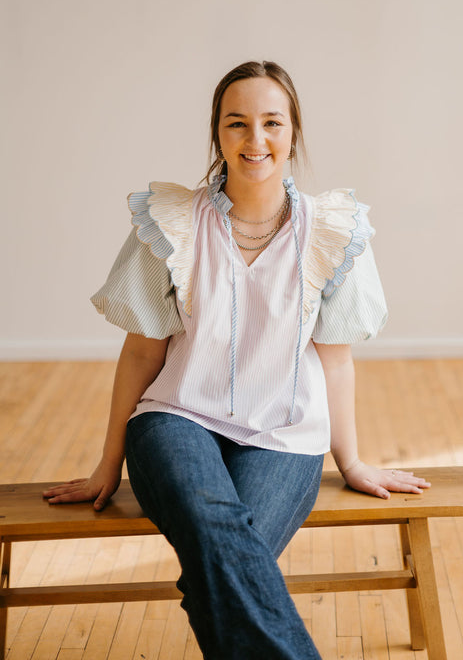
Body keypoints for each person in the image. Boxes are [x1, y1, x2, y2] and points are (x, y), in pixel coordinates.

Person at [44, 61, 430, 659]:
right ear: (218, 134)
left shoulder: (332, 230)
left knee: (220, 566)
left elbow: (336, 361)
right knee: (220, 539)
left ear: (293, 133)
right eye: (237, 123)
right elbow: (142, 351)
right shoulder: (171, 224)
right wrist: (108, 464)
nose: (256, 139)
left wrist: (351, 461)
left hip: (284, 434)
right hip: (176, 420)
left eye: (272, 122)